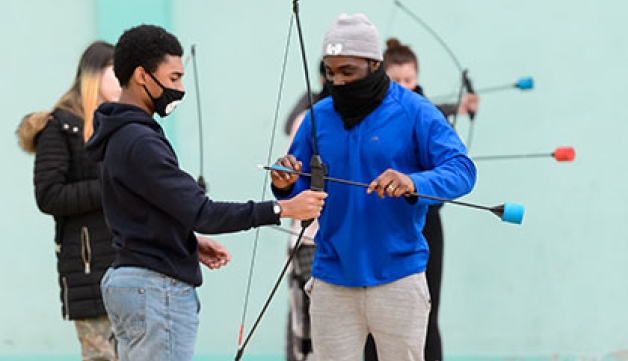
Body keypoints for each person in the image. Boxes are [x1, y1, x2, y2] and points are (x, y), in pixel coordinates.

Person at [83, 24, 327, 361]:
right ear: (142, 76)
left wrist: (189, 242)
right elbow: (203, 212)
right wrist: (283, 208)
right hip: (155, 290)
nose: (180, 88)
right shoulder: (139, 140)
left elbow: (138, 211)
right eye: (173, 78)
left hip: (132, 282)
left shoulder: (119, 134)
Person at [271, 13, 476, 361]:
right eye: (331, 71)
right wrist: (284, 182)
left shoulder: (415, 112)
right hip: (331, 277)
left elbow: (462, 170)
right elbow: (296, 186)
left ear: (373, 63)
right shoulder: (317, 118)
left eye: (347, 71)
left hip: (399, 277)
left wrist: (413, 181)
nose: (337, 80)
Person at [364, 38, 481, 361]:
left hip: (424, 224)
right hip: (382, 224)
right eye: (396, 79)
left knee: (425, 311)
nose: (404, 87)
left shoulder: (423, 111)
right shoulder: (370, 113)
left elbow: (445, 146)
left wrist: (461, 106)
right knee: (374, 314)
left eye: (409, 80)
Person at [16, 41, 121, 361]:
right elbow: (49, 195)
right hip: (88, 269)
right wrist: (110, 186)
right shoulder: (58, 128)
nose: (125, 81)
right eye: (118, 73)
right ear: (93, 75)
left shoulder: (116, 125)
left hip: (129, 265)